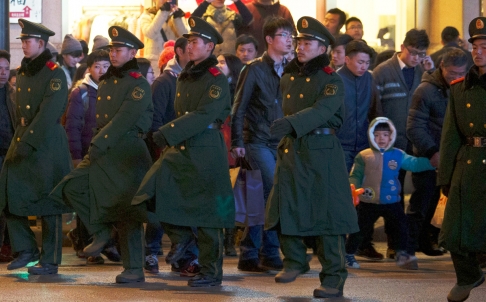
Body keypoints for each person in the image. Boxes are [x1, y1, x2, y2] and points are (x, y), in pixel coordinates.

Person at [133, 16, 234, 287]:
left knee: (209, 216)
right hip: (181, 149)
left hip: (206, 149)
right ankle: (184, 240)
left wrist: (168, 131)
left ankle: (211, 273)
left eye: (195, 42)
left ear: (209, 46)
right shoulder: (185, 76)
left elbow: (204, 114)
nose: (189, 46)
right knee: (149, 195)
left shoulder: (215, 79)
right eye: (188, 41)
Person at [51, 25, 153, 283]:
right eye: (111, 50)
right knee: (70, 186)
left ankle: (134, 268)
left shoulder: (139, 84)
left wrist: (98, 143)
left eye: (118, 50)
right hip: (104, 148)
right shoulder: (107, 80)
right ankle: (101, 229)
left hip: (128, 150)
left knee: (129, 211)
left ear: (131, 53)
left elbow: (124, 119)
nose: (113, 54)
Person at [266, 16, 358, 298]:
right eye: (298, 42)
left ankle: (333, 279)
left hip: (322, 152)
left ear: (322, 48)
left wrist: (291, 124)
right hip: (293, 149)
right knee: (283, 208)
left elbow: (323, 110)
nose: (300, 47)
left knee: (327, 218)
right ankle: (295, 260)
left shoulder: (332, 80)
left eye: (307, 43)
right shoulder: (289, 77)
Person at [0, 19, 72, 275]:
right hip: (23, 138)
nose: (23, 45)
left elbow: (47, 114)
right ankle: (27, 248)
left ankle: (50, 261)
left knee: (48, 202)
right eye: (22, 41)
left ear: (40, 44)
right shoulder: (24, 71)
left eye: (27, 41)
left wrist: (27, 142)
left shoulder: (54, 72)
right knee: (7, 195)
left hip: (46, 145)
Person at [231, 16, 293, 272]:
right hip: (256, 141)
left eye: (291, 36)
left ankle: (255, 253)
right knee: (272, 188)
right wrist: (237, 141)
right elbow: (239, 107)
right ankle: (263, 251)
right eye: (284, 36)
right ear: (269, 40)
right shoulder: (254, 69)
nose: (290, 40)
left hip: (282, 141)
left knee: (261, 195)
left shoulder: (292, 69)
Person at [370, 29, 433, 259]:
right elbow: (375, 110)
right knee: (391, 193)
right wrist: (380, 142)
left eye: (422, 53)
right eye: (414, 52)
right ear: (403, 47)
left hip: (417, 141)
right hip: (390, 144)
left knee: (422, 189)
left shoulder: (424, 72)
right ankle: (394, 243)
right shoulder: (382, 72)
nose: (417, 57)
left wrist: (430, 71)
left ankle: (413, 240)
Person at [438, 16, 486, 302]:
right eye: (476, 46)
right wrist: (445, 178)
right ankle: (467, 275)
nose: (478, 51)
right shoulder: (459, 88)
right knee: (454, 228)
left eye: (485, 45)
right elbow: (450, 135)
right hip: (467, 162)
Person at [143, 37, 201, 277]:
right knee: (160, 208)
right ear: (179, 52)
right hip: (166, 152)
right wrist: (163, 147)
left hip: (188, 153)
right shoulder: (164, 82)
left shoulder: (194, 80)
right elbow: (154, 123)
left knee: (187, 207)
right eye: (191, 49)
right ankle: (151, 252)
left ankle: (187, 258)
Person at [346, 117, 436, 270]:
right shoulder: (364, 155)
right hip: (369, 201)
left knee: (401, 227)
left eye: (385, 135)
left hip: (392, 201)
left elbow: (413, 163)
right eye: (377, 135)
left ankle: (402, 254)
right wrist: (353, 187)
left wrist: (431, 163)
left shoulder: (398, 154)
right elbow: (355, 175)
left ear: (391, 136)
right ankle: (348, 254)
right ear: (371, 136)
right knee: (360, 230)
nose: (381, 138)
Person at [406, 48, 468, 258]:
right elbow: (414, 126)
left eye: (461, 74)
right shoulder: (425, 91)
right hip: (427, 157)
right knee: (423, 202)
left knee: (444, 204)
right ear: (442, 67)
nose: (456, 78)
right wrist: (433, 152)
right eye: (452, 74)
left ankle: (430, 241)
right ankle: (408, 246)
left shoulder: (463, 87)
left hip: (453, 157)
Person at [64, 50, 121, 265]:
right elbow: (72, 127)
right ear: (89, 69)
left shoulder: (113, 90)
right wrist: (76, 156)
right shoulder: (81, 93)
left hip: (108, 156)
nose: (102, 70)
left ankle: (105, 242)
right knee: (87, 199)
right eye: (97, 66)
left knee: (106, 199)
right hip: (88, 154)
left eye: (106, 66)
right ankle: (87, 244)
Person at [336, 40, 375, 172]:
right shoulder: (335, 80)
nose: (364, 66)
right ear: (347, 60)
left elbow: (375, 109)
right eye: (360, 62)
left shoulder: (369, 78)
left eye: (367, 63)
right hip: (341, 145)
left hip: (364, 144)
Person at [139, 0, 187, 77]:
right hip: (154, 66)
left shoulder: (174, 17)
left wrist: (178, 19)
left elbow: (185, 37)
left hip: (173, 65)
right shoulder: (147, 16)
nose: (165, 1)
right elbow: (150, 33)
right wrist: (163, 12)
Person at [0, 50, 16, 263]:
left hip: (9, 155)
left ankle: (8, 246)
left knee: (10, 204)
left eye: (5, 69)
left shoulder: (13, 94)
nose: (2, 73)